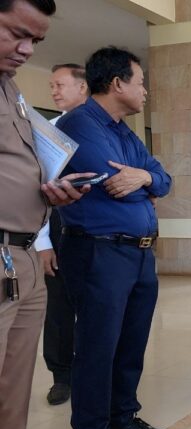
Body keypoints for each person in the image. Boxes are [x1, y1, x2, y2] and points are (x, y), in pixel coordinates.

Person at [57, 46, 172, 429]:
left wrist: (144, 177)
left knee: (130, 343)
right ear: (118, 82)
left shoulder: (125, 131)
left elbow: (162, 177)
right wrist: (147, 182)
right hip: (98, 250)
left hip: (137, 253)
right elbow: (105, 180)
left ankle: (122, 419)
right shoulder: (80, 125)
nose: (145, 90)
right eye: (140, 82)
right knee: (97, 348)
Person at [0, 1, 92, 429]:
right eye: (17, 34)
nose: (26, 49)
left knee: (13, 393)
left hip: (24, 254)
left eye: (35, 40)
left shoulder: (11, 91)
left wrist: (47, 190)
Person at [36, 63, 87, 406]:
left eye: (60, 85)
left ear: (84, 88)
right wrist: (42, 243)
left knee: (98, 306)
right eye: (51, 86)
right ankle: (61, 376)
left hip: (98, 230)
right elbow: (34, 190)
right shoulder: (49, 133)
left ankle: (92, 370)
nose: (54, 91)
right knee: (58, 310)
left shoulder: (105, 130)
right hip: (59, 227)